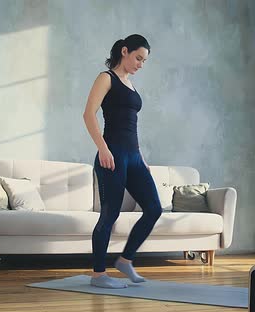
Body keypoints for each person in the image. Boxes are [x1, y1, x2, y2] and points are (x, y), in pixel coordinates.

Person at [82, 34, 162, 289]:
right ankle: (98, 275)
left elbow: (129, 126)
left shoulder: (130, 84)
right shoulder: (106, 78)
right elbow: (88, 114)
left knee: (154, 209)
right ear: (125, 52)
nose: (141, 64)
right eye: (138, 58)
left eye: (144, 60)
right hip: (112, 157)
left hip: (133, 157)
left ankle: (125, 260)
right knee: (110, 214)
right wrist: (103, 149)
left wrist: (141, 157)